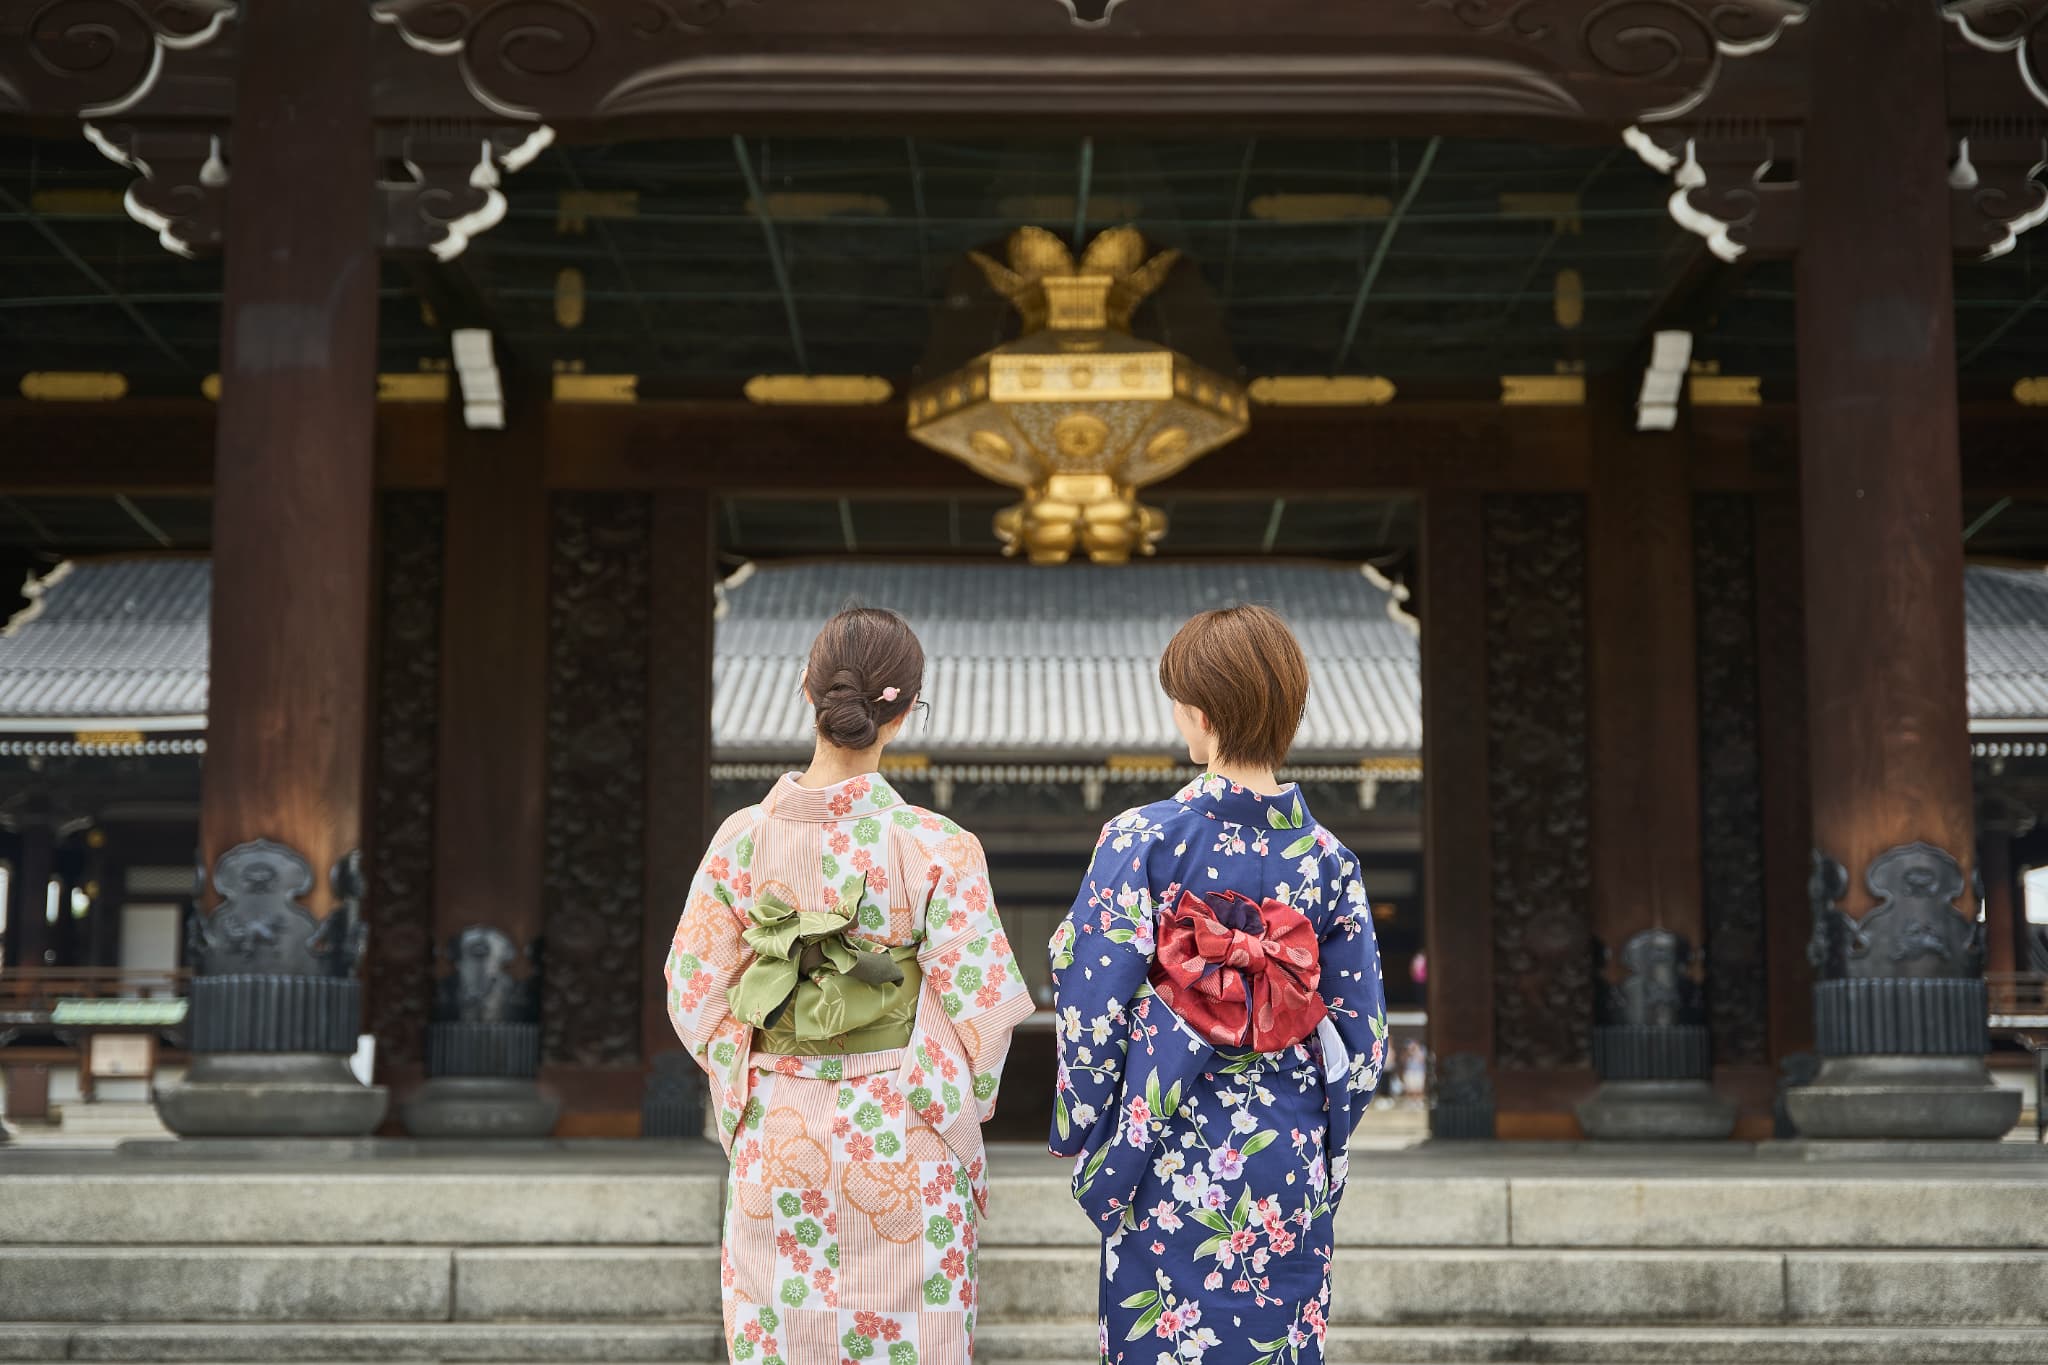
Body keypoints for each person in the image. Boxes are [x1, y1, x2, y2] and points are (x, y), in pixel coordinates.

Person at [667, 606, 1033, 1365]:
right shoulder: (938, 847)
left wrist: (754, 1079)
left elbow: (694, 994)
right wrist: (954, 1098)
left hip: (779, 1136)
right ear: (904, 713)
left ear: (809, 692)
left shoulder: (741, 840)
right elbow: (986, 1012)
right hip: (905, 1136)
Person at [1049, 604, 1388, 1365]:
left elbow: (1091, 1001)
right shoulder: (1331, 861)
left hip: (1168, 1151)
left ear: (1199, 714)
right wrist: (1321, 1139)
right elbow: (1363, 1043)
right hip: (1285, 1157)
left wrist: (1085, 1120)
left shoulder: (1143, 838)